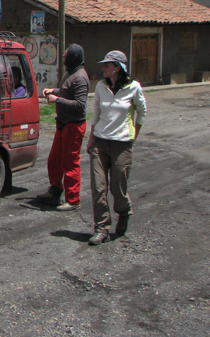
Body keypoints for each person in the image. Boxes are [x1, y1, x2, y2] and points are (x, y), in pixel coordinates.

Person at [86, 51, 147, 246]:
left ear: (117, 68)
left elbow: (141, 111)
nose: (103, 68)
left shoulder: (133, 88)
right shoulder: (101, 87)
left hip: (122, 145)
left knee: (117, 187)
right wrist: (91, 137)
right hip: (100, 143)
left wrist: (134, 133)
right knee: (98, 187)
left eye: (107, 65)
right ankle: (101, 228)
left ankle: (124, 212)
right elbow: (96, 113)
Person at [35, 44, 89, 211]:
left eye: (67, 53)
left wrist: (56, 99)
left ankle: (73, 200)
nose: (64, 55)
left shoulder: (79, 77)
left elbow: (80, 104)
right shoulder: (71, 73)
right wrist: (56, 91)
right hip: (63, 124)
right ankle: (55, 192)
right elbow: (68, 92)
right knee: (54, 160)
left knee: (70, 162)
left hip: (73, 126)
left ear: (73, 56)